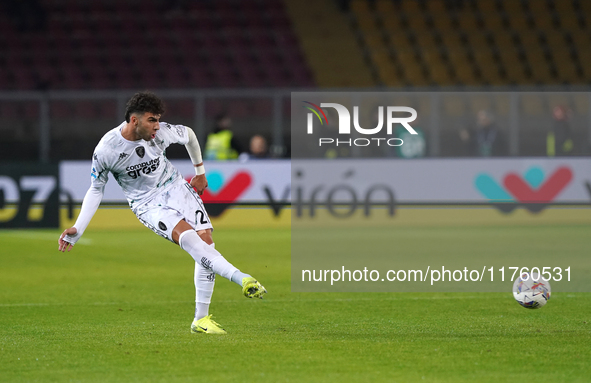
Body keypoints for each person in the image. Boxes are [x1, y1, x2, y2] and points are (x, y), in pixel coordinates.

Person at [58, 92, 266, 335]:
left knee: (207, 241)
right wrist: (79, 228)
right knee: (190, 240)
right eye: (151, 120)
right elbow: (96, 189)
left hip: (176, 187)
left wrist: (199, 171)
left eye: (158, 120)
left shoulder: (160, 133)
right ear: (134, 121)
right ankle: (242, 278)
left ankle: (201, 320)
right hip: (147, 203)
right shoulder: (107, 150)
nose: (157, 126)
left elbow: (188, 134)